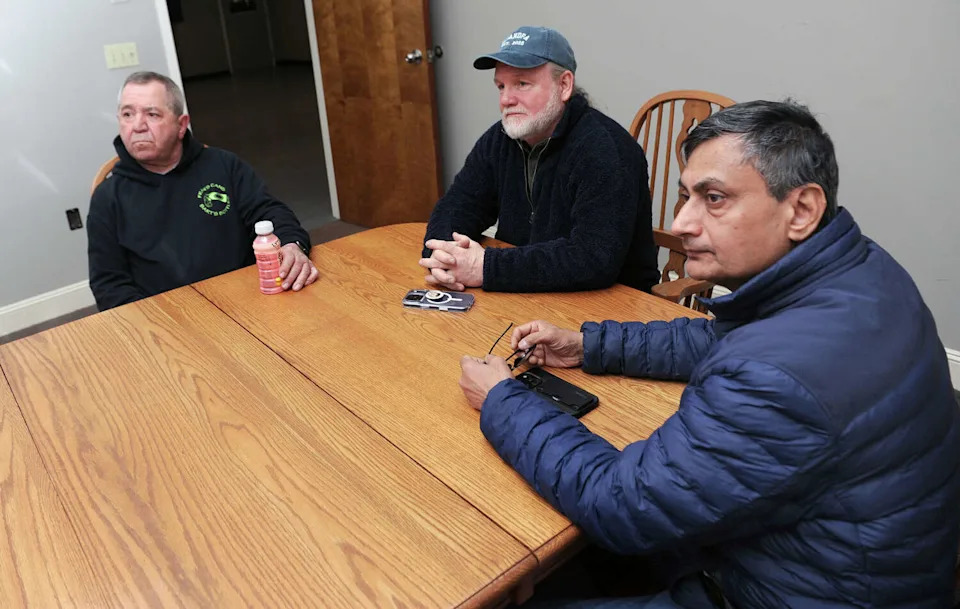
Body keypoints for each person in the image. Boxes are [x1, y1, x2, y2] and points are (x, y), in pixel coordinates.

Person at [458, 100, 960, 607]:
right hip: (847, 562)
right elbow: (722, 338)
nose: (681, 223)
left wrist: (503, 399)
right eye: (685, 197)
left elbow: (624, 505)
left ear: (802, 210)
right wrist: (588, 345)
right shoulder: (860, 271)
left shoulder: (776, 376)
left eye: (714, 199)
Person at [420, 26, 658, 294]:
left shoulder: (607, 149)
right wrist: (443, 254)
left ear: (564, 85)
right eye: (501, 86)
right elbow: (458, 204)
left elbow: (593, 257)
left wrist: (485, 267)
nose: (506, 99)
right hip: (526, 290)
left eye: (522, 84)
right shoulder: (500, 138)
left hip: (612, 305)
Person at [87, 71, 318, 311]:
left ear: (181, 125)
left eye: (152, 114)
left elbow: (270, 213)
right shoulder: (108, 197)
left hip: (248, 302)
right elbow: (109, 284)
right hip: (167, 317)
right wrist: (156, 322)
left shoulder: (224, 166)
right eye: (127, 114)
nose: (137, 126)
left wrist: (292, 245)